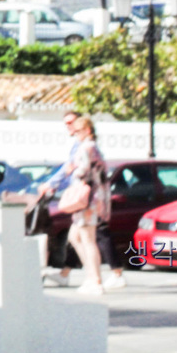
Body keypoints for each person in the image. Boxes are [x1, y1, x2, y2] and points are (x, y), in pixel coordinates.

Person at [32, 112, 113, 294]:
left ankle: (95, 280)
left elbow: (82, 171)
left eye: (78, 130)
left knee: (87, 239)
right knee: (76, 237)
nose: (75, 133)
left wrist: (72, 171)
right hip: (90, 199)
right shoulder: (92, 147)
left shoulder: (87, 148)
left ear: (87, 130)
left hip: (87, 200)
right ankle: (91, 276)